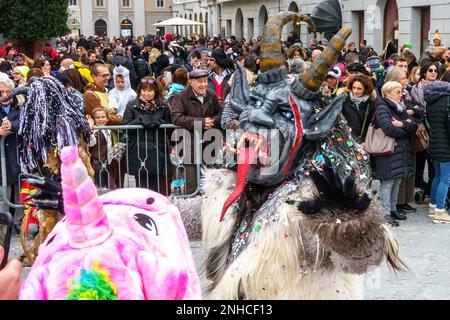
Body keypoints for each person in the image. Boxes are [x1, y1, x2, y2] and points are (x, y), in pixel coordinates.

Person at [372, 81, 418, 226]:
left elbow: (414, 125)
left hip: (399, 150)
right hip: (387, 150)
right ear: (387, 93)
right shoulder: (382, 108)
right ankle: (385, 213)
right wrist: (406, 128)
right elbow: (388, 128)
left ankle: (392, 209)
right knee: (387, 182)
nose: (401, 94)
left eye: (401, 91)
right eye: (398, 92)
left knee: (396, 181)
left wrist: (402, 124)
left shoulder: (399, 108)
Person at [170, 69, 222, 194]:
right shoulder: (181, 97)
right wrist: (201, 123)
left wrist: (213, 121)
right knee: (191, 184)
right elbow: (176, 117)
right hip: (190, 145)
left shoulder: (211, 95)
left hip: (209, 143)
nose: (203, 85)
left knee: (209, 183)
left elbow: (221, 112)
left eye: (205, 81)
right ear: (190, 82)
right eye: (199, 82)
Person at [123, 77, 171, 194]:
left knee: (160, 185)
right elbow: (125, 127)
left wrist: (158, 123)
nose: (146, 93)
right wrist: (139, 121)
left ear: (155, 91)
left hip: (158, 149)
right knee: (142, 187)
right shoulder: (132, 105)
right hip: (139, 149)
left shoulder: (163, 105)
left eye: (149, 91)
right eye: (143, 90)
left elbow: (170, 126)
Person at [424, 70, 450, 223]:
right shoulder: (447, 99)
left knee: (437, 177)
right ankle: (440, 211)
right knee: (446, 179)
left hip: (435, 143)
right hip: (446, 145)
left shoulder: (433, 98)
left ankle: (433, 207)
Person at [87, 108, 118, 189]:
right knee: (100, 188)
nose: (101, 119)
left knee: (109, 187)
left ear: (107, 119)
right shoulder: (94, 131)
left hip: (107, 164)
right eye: (98, 117)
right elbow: (91, 143)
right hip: (96, 165)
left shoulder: (108, 131)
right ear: (94, 119)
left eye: (103, 117)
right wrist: (90, 129)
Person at [341, 74, 376, 143]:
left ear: (365, 89)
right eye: (354, 87)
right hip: (346, 139)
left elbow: (372, 126)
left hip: (363, 141)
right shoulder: (344, 101)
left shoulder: (371, 104)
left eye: (359, 89)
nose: (355, 91)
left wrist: (367, 141)